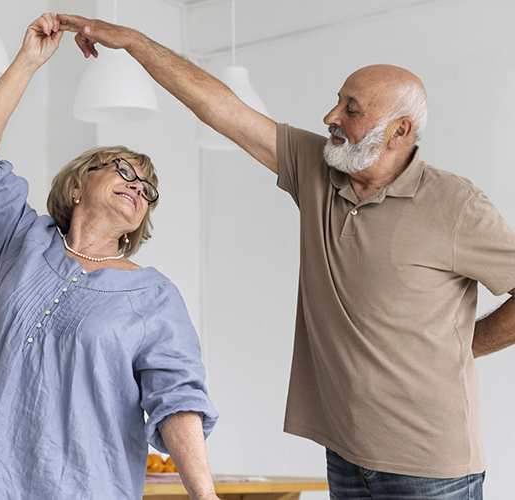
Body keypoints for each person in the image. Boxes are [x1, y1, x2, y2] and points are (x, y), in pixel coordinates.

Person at [56, 13, 515, 500]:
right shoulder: (316, 169)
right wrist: (132, 41)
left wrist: (461, 345)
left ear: (399, 132)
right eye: (338, 101)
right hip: (344, 452)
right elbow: (219, 107)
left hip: (429, 467)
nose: (330, 117)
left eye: (351, 110)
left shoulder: (456, 205)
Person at [0, 13, 220, 500]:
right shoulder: (25, 242)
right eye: (123, 170)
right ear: (78, 184)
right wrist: (29, 61)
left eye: (148, 189)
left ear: (139, 221)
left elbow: (178, 398)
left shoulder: (154, 295)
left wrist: (205, 496)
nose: (137, 186)